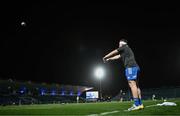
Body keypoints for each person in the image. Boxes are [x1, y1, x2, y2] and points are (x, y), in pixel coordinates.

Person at [103, 39, 144, 111]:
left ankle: (136, 104)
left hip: (130, 67)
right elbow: (117, 56)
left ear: (122, 43)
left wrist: (106, 56)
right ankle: (140, 104)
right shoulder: (126, 50)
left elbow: (114, 51)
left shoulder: (124, 47)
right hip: (135, 67)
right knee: (136, 85)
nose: (118, 45)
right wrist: (109, 59)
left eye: (119, 44)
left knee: (132, 84)